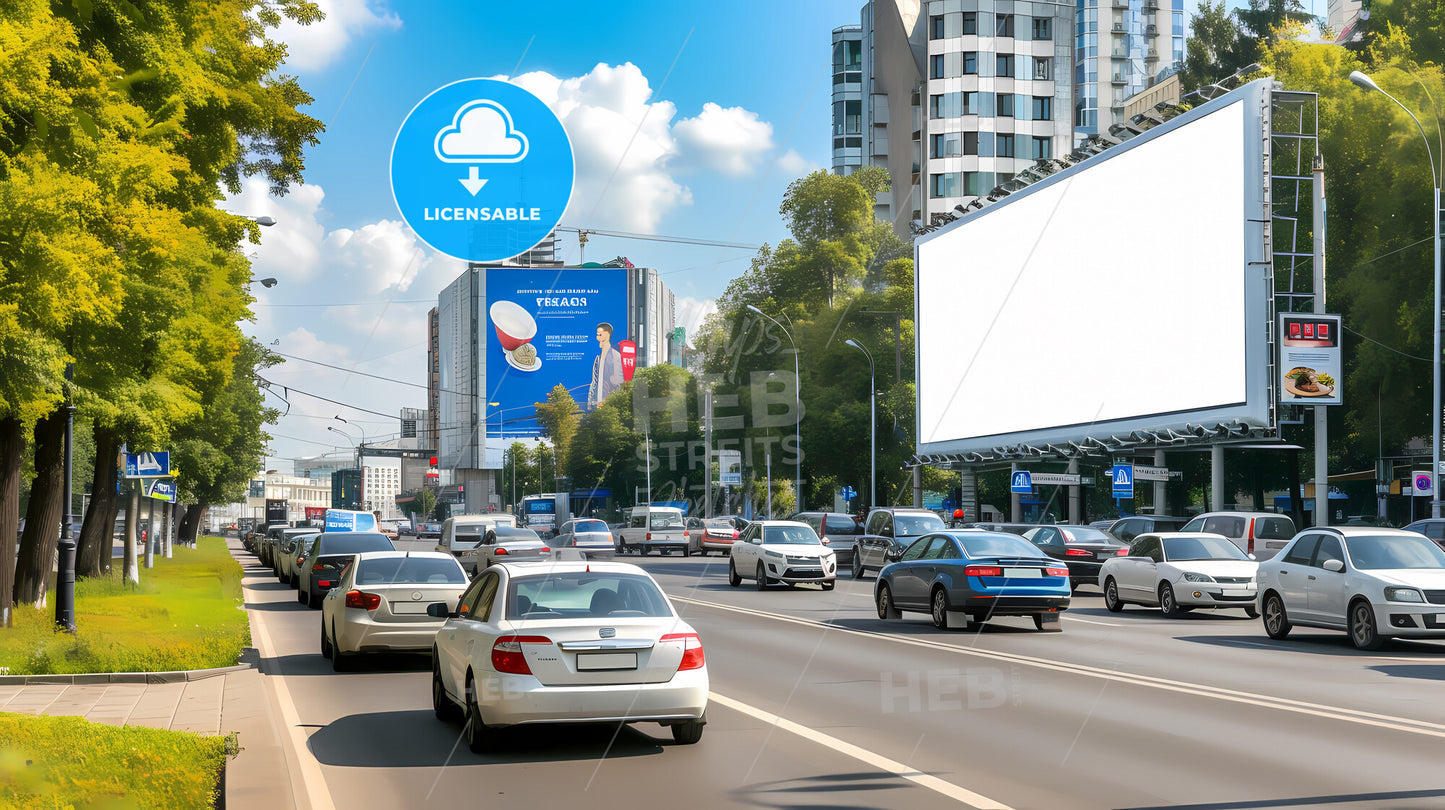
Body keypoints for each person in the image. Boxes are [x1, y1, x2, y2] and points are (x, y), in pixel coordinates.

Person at [587, 322, 624, 410]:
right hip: (598, 404)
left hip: (609, 404)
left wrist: (612, 402)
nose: (597, 337)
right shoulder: (598, 358)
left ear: (606, 335)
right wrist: (590, 402)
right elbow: (594, 382)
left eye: (599, 334)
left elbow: (619, 382)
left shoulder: (616, 356)